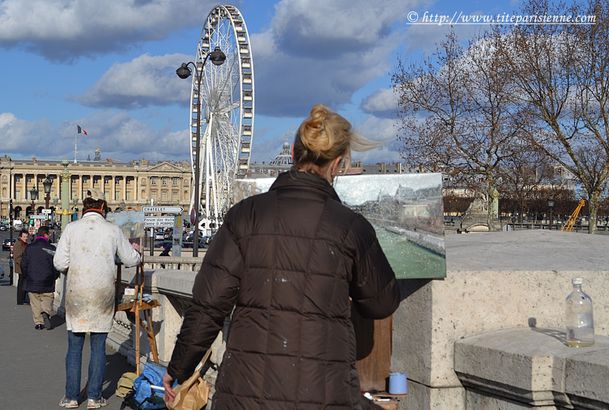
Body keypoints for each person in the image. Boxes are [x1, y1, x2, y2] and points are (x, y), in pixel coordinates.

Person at [163, 104, 401, 409]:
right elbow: (382, 302)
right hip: (323, 391)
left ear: (292, 152)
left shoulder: (245, 216)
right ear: (339, 164)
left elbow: (208, 306)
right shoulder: (352, 227)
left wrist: (178, 368)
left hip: (245, 391)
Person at [54, 189, 141, 409]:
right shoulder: (112, 230)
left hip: (77, 295)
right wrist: (137, 253)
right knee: (98, 347)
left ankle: (71, 397)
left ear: (84, 208)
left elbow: (59, 263)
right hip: (102, 295)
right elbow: (131, 260)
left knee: (74, 349)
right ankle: (94, 397)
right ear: (102, 207)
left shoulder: (71, 229)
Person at [21, 225, 59, 330]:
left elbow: (24, 264)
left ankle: (38, 323)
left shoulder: (29, 248)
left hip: (32, 280)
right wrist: (54, 276)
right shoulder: (51, 248)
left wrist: (27, 275)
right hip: (47, 279)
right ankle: (45, 312)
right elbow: (56, 265)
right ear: (46, 235)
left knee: (35, 302)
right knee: (47, 298)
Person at [13, 228, 30, 305]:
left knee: (24, 283)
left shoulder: (24, 243)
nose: (26, 238)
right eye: (24, 237)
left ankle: (23, 299)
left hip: (24, 267)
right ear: (20, 236)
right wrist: (24, 265)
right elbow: (17, 257)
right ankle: (20, 300)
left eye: (26, 237)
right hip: (21, 268)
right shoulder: (18, 244)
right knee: (21, 284)